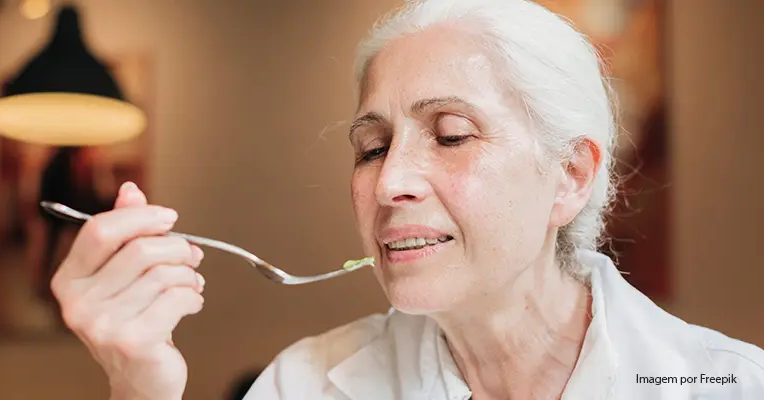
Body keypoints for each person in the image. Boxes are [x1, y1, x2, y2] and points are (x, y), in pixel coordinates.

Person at [49, 0, 764, 398]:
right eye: (371, 146)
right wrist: (138, 385)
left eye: (451, 135)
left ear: (571, 176)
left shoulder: (730, 386)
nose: (389, 183)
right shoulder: (303, 386)